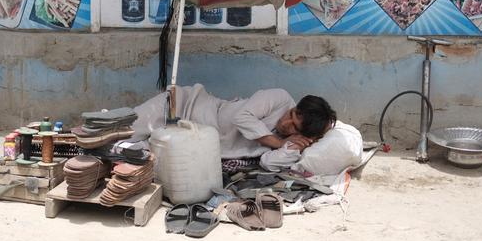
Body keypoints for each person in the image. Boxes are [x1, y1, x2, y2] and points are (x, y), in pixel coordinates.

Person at [130, 84, 337, 160]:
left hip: (198, 137)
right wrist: (278, 142)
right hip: (190, 105)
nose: (286, 123)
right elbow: (242, 117)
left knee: (138, 149)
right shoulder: (280, 97)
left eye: (294, 127)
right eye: (291, 114)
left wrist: (296, 142)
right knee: (127, 127)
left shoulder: (296, 139)